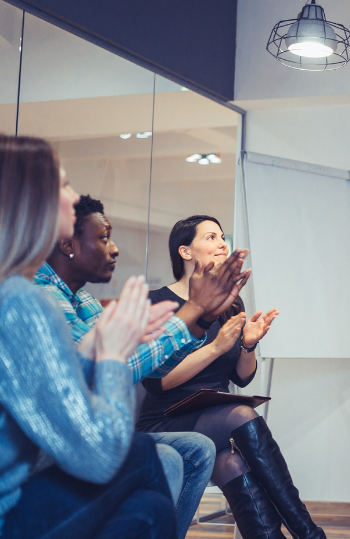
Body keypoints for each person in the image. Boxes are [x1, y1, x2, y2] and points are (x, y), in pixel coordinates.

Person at [34, 194, 247, 539]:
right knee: (167, 457)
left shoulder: (85, 300)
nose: (115, 249)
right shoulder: (41, 299)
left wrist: (201, 319)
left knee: (196, 450)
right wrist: (194, 313)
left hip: (91, 431)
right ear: (68, 245)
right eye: (104, 238)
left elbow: (147, 365)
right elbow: (109, 372)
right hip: (53, 445)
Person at [0, 133, 176, 539]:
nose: (74, 196)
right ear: (33, 202)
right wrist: (112, 358)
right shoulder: (20, 301)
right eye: (64, 184)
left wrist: (93, 347)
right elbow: (101, 454)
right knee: (140, 453)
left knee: (150, 510)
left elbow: (43, 388)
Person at [137, 215, 324, 539]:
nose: (222, 243)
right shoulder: (156, 302)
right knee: (241, 415)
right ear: (185, 251)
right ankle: (310, 534)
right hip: (166, 419)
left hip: (215, 418)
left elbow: (242, 377)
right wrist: (215, 348)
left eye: (222, 236)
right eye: (211, 237)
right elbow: (157, 382)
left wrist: (248, 344)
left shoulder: (230, 303)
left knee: (231, 464)